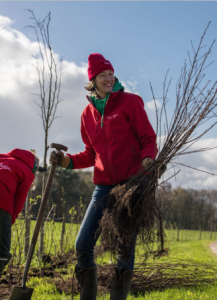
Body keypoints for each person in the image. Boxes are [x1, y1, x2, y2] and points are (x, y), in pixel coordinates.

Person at [50, 53, 160, 300]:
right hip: (103, 187)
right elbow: (91, 154)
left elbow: (148, 139)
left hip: (131, 184)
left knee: (125, 248)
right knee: (83, 245)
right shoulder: (87, 114)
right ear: (93, 80)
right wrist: (67, 162)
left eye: (110, 74)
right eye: (103, 75)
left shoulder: (130, 102)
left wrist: (147, 159)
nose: (109, 79)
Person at [0, 148, 39, 277]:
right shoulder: (27, 171)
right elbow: (18, 201)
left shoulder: (2, 157)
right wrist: (7, 224)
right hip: (2, 203)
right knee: (2, 253)